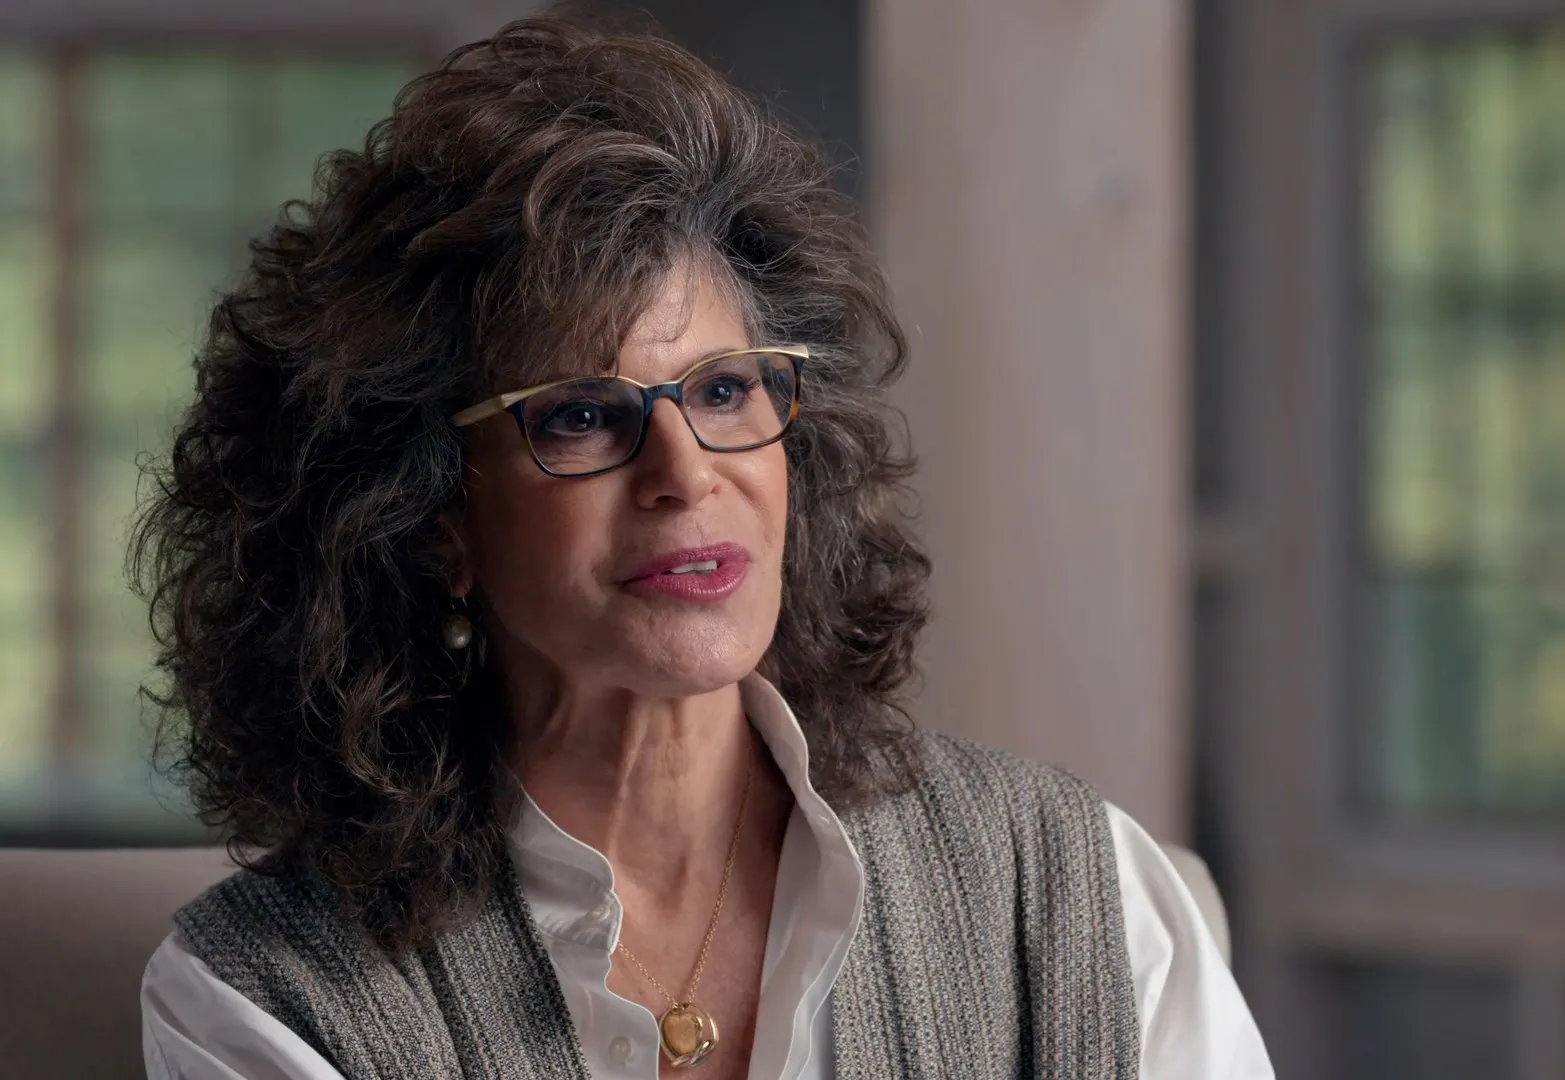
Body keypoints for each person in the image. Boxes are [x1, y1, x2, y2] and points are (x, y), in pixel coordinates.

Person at [134, 16, 1273, 1080]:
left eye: (725, 390)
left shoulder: (1077, 891)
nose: (685, 472)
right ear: (429, 519)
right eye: (583, 415)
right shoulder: (260, 994)